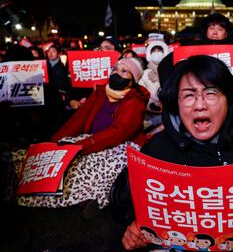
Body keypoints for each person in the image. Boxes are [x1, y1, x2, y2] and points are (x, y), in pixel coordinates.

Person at [122, 55, 233, 252]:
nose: (199, 105)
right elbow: (138, 212)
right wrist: (133, 233)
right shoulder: (157, 150)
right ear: (176, 103)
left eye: (211, 93)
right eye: (188, 95)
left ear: (228, 99)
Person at [15, 58, 150, 212]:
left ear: (133, 79)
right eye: (115, 69)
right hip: (91, 140)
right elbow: (79, 119)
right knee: (58, 153)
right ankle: (25, 186)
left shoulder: (135, 101)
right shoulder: (100, 92)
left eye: (124, 71)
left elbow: (119, 132)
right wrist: (53, 143)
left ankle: (85, 199)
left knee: (85, 165)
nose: (117, 73)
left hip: (120, 147)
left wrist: (84, 146)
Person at [138, 40, 169, 135]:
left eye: (159, 51)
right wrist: (152, 102)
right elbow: (141, 91)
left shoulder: (170, 70)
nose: (157, 53)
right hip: (149, 113)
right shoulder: (144, 73)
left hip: (167, 112)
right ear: (149, 54)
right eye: (154, 51)